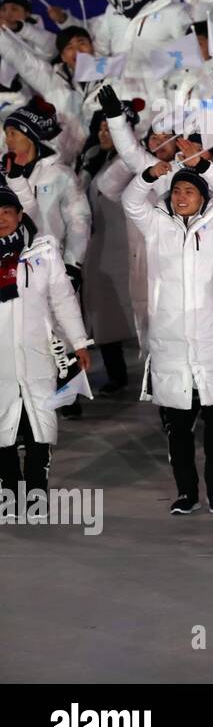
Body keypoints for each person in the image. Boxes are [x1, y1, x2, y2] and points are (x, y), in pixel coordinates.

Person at [121, 149, 213, 515]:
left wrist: (203, 165)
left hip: (211, 342)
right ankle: (186, 493)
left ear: (203, 196)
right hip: (171, 344)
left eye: (189, 191)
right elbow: (131, 202)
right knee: (177, 429)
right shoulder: (157, 224)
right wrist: (148, 175)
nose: (181, 196)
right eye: (176, 190)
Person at [0, 184, 92, 509]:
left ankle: (36, 493)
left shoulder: (43, 252)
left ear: (19, 215)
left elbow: (63, 299)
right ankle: (9, 492)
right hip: (2, 360)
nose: (1, 219)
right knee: (2, 428)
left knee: (41, 426)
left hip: (38, 356)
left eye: (7, 212)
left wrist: (79, 342)